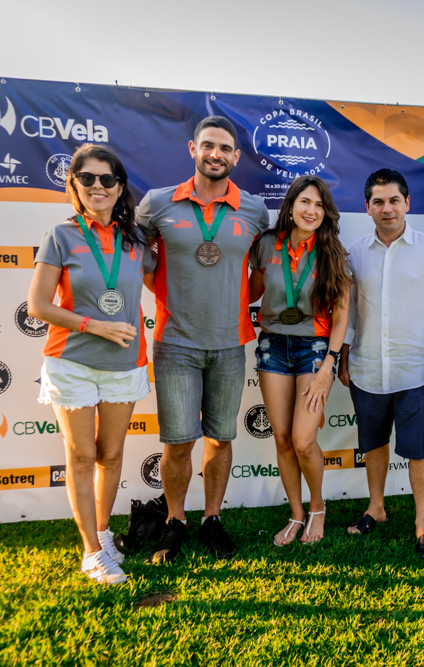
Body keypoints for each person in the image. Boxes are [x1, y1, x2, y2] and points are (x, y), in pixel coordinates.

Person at [136, 116, 271, 562]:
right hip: (175, 343)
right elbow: (126, 259)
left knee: (219, 439)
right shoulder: (157, 203)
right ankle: (176, 521)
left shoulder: (253, 210)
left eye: (225, 148)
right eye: (208, 145)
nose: (216, 154)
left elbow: (258, 277)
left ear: (235, 157)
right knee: (176, 443)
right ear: (192, 149)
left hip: (230, 345)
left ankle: (212, 518)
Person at [28, 144, 155, 584]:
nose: (97, 187)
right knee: (82, 456)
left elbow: (165, 277)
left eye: (107, 179)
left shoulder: (137, 240)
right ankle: (91, 552)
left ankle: (102, 533)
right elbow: (38, 305)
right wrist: (93, 325)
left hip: (125, 362)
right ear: (75, 185)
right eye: (88, 179)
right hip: (72, 361)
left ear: (121, 188)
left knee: (112, 453)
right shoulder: (60, 235)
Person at [338, 169, 424, 559]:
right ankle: (377, 507)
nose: (386, 208)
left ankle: (422, 524)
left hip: (417, 371)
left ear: (408, 203)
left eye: (394, 200)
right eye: (378, 201)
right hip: (367, 368)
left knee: (421, 449)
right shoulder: (353, 253)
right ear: (367, 207)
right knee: (373, 443)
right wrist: (343, 356)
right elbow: (348, 315)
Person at [249, 175, 351, 546]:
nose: (312, 210)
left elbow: (341, 316)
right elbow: (253, 292)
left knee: (304, 440)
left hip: (314, 349)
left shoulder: (333, 252)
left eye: (320, 205)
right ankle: (296, 513)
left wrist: (329, 366)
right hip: (272, 346)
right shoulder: (265, 245)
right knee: (282, 438)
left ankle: (318, 506)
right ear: (290, 206)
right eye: (305, 202)